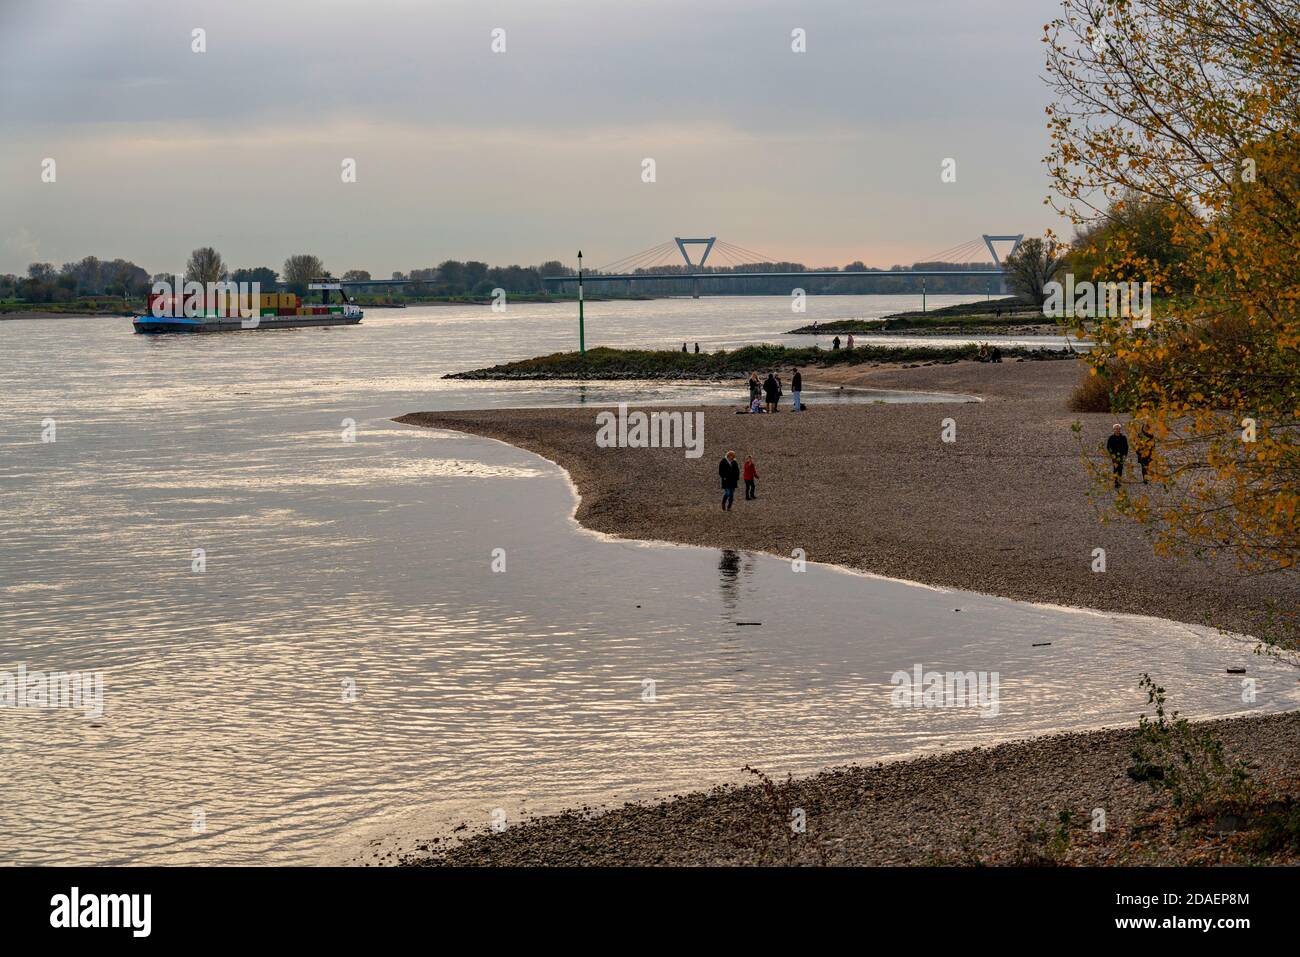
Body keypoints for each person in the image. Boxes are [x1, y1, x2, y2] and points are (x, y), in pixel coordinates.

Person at [1106, 424, 1129, 489]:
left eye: (1118, 429)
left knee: (1120, 469)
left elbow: (1126, 447)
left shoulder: (1123, 437)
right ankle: (1116, 482)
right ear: (1114, 430)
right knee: (1115, 469)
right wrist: (1112, 454)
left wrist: (1125, 454)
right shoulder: (1111, 438)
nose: (1117, 430)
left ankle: (1119, 481)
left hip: (1121, 456)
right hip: (1114, 456)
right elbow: (1108, 447)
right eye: (1116, 429)